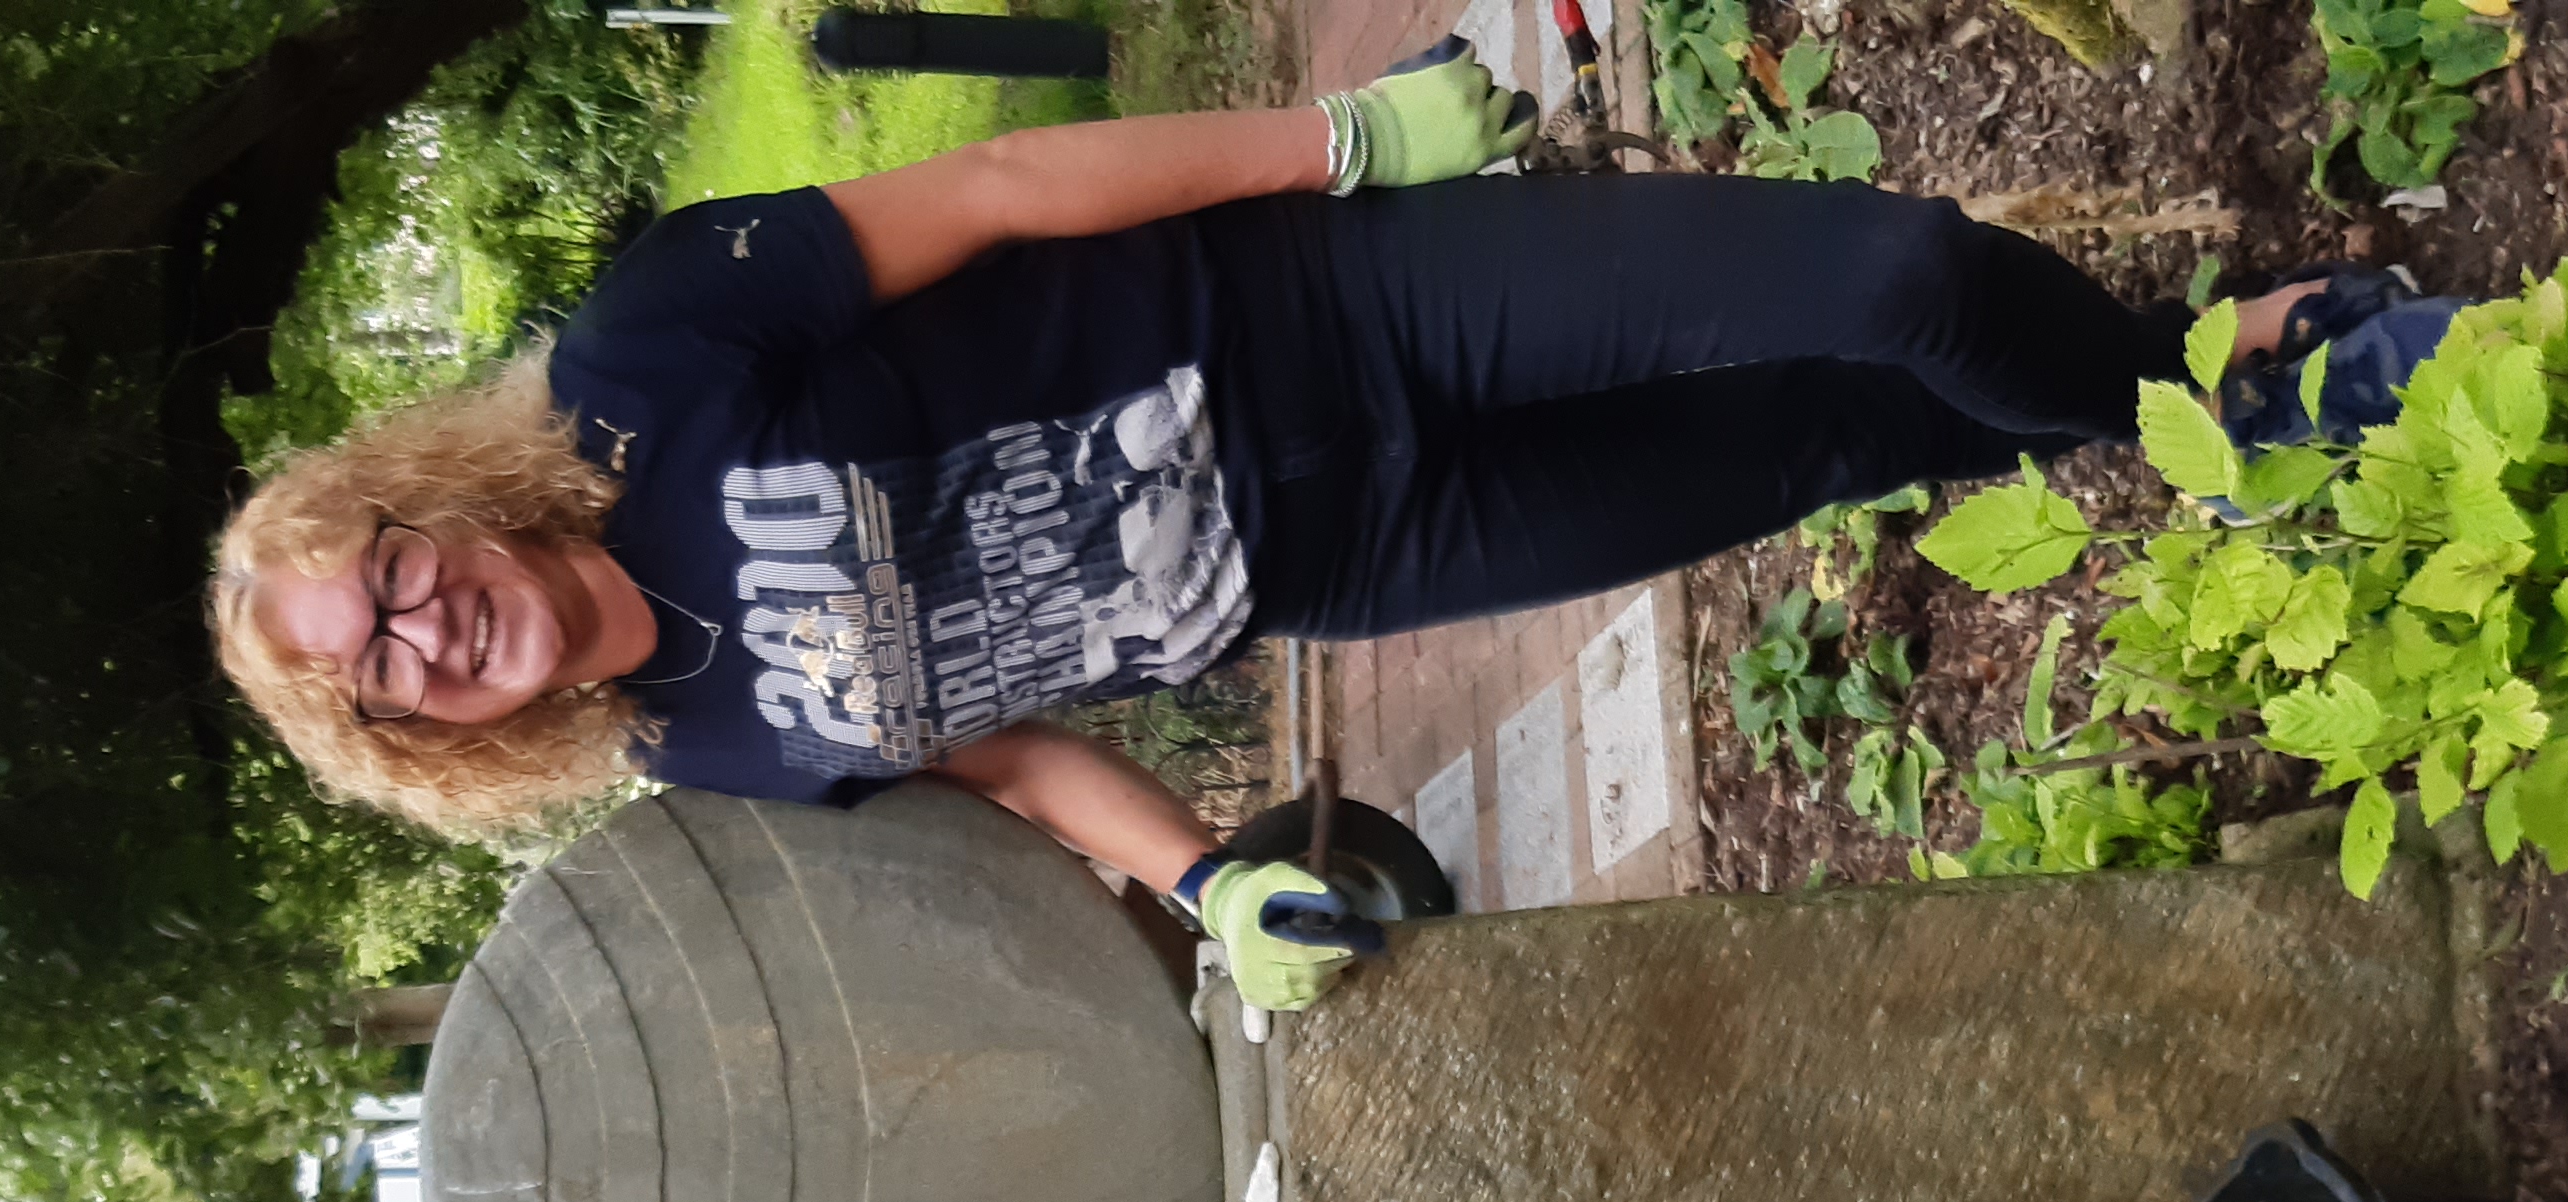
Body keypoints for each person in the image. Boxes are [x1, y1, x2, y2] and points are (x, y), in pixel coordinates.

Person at [208, 52, 2436, 1009]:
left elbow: (991, 194)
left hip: (1311, 313)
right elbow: (995, 755)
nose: (429, 623)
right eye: (384, 663)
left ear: (423, 504)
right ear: (418, 735)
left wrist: (1331, 146)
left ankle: (2192, 391)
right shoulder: (692, 750)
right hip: (1351, 556)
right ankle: (2205, 388)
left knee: (1895, 280)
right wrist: (1203, 878)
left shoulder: (642, 358)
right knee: (1828, 444)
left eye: (392, 570)